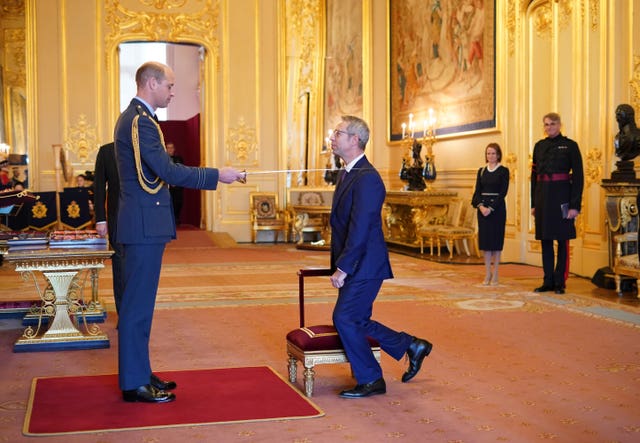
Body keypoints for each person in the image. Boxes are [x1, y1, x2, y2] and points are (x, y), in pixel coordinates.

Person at [114, 61, 245, 403]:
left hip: (144, 224)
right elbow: (167, 172)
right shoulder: (139, 122)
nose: (173, 92)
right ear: (152, 83)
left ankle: (140, 373)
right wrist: (218, 175)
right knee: (136, 308)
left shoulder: (141, 119)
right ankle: (133, 383)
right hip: (142, 226)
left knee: (140, 306)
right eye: (170, 86)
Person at [328, 115, 433, 398]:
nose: (332, 137)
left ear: (355, 140)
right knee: (356, 319)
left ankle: (372, 379)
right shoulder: (348, 172)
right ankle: (410, 346)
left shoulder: (368, 178)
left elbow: (360, 228)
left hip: (364, 265)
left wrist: (343, 269)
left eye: (338, 133)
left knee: (345, 318)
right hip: (357, 263)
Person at [530, 112, 584, 294]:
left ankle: (560, 282)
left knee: (562, 241)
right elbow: (534, 177)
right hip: (543, 198)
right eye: (546, 124)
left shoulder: (570, 146)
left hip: (562, 198)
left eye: (552, 124)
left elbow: (578, 178)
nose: (549, 127)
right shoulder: (539, 146)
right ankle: (548, 280)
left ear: (560, 125)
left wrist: (575, 206)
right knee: (545, 240)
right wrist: (534, 203)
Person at [471, 143, 509, 285]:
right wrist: (481, 207)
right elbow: (477, 192)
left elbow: (503, 192)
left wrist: (491, 208)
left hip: (497, 210)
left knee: (496, 243)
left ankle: (496, 274)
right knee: (486, 243)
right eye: (488, 153)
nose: (490, 156)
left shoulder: (503, 171)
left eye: (493, 153)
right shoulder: (481, 171)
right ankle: (487, 273)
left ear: (498, 155)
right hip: (482, 210)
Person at [93, 142, 124, 315]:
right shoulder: (106, 151)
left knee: (138, 269)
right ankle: (123, 315)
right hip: (116, 217)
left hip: (141, 219)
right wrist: (101, 219)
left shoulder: (144, 146)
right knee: (119, 266)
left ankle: (135, 313)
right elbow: (98, 188)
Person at [165, 142, 184, 225]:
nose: (170, 149)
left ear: (174, 149)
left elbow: (182, 171)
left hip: (177, 185)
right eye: (168, 148)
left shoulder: (179, 159)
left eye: (171, 148)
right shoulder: (162, 160)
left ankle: (176, 219)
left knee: (178, 202)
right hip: (166, 186)